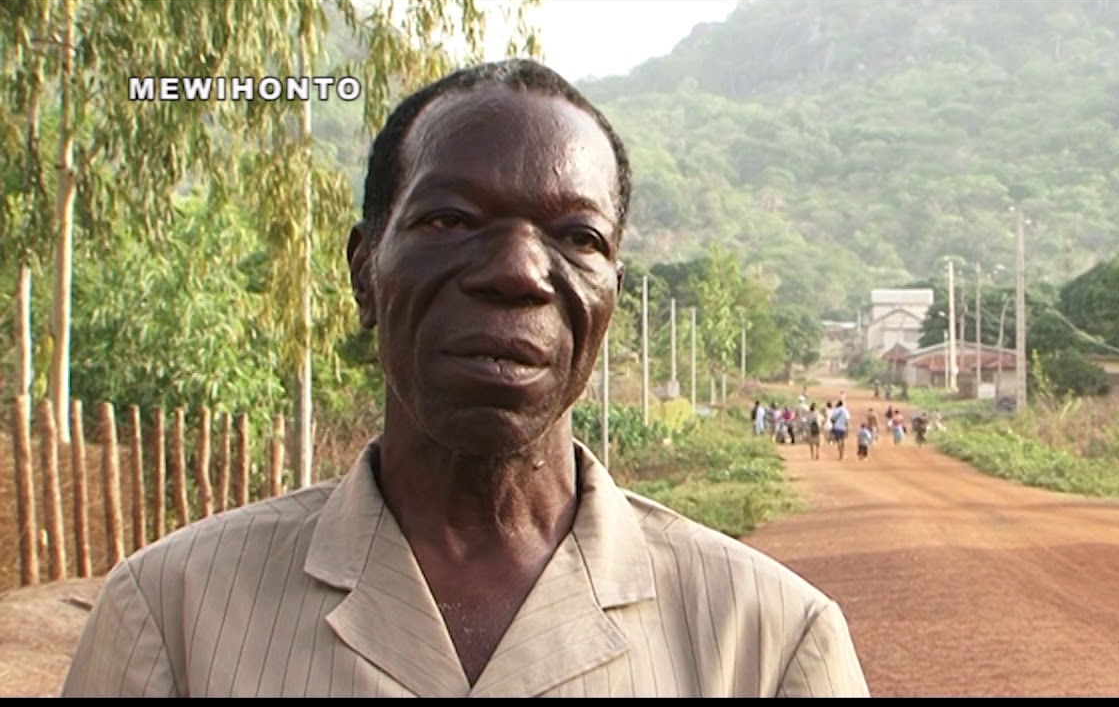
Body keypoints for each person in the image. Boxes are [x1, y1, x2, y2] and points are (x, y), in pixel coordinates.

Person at [60, 59, 870, 698]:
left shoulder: (770, 643)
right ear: (365, 271)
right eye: (450, 220)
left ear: (613, 294)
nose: (518, 272)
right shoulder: (172, 618)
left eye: (577, 236)